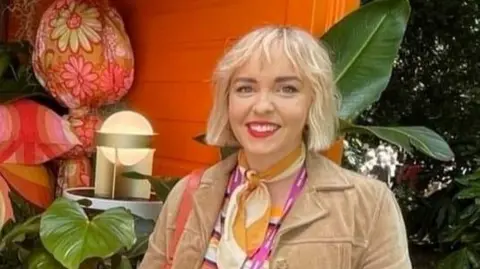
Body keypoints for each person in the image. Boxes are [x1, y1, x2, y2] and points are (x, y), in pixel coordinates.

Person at [139, 25, 412, 269]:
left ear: (312, 103)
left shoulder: (368, 206)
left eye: (287, 89)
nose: (262, 106)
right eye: (245, 88)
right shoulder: (191, 192)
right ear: (227, 101)